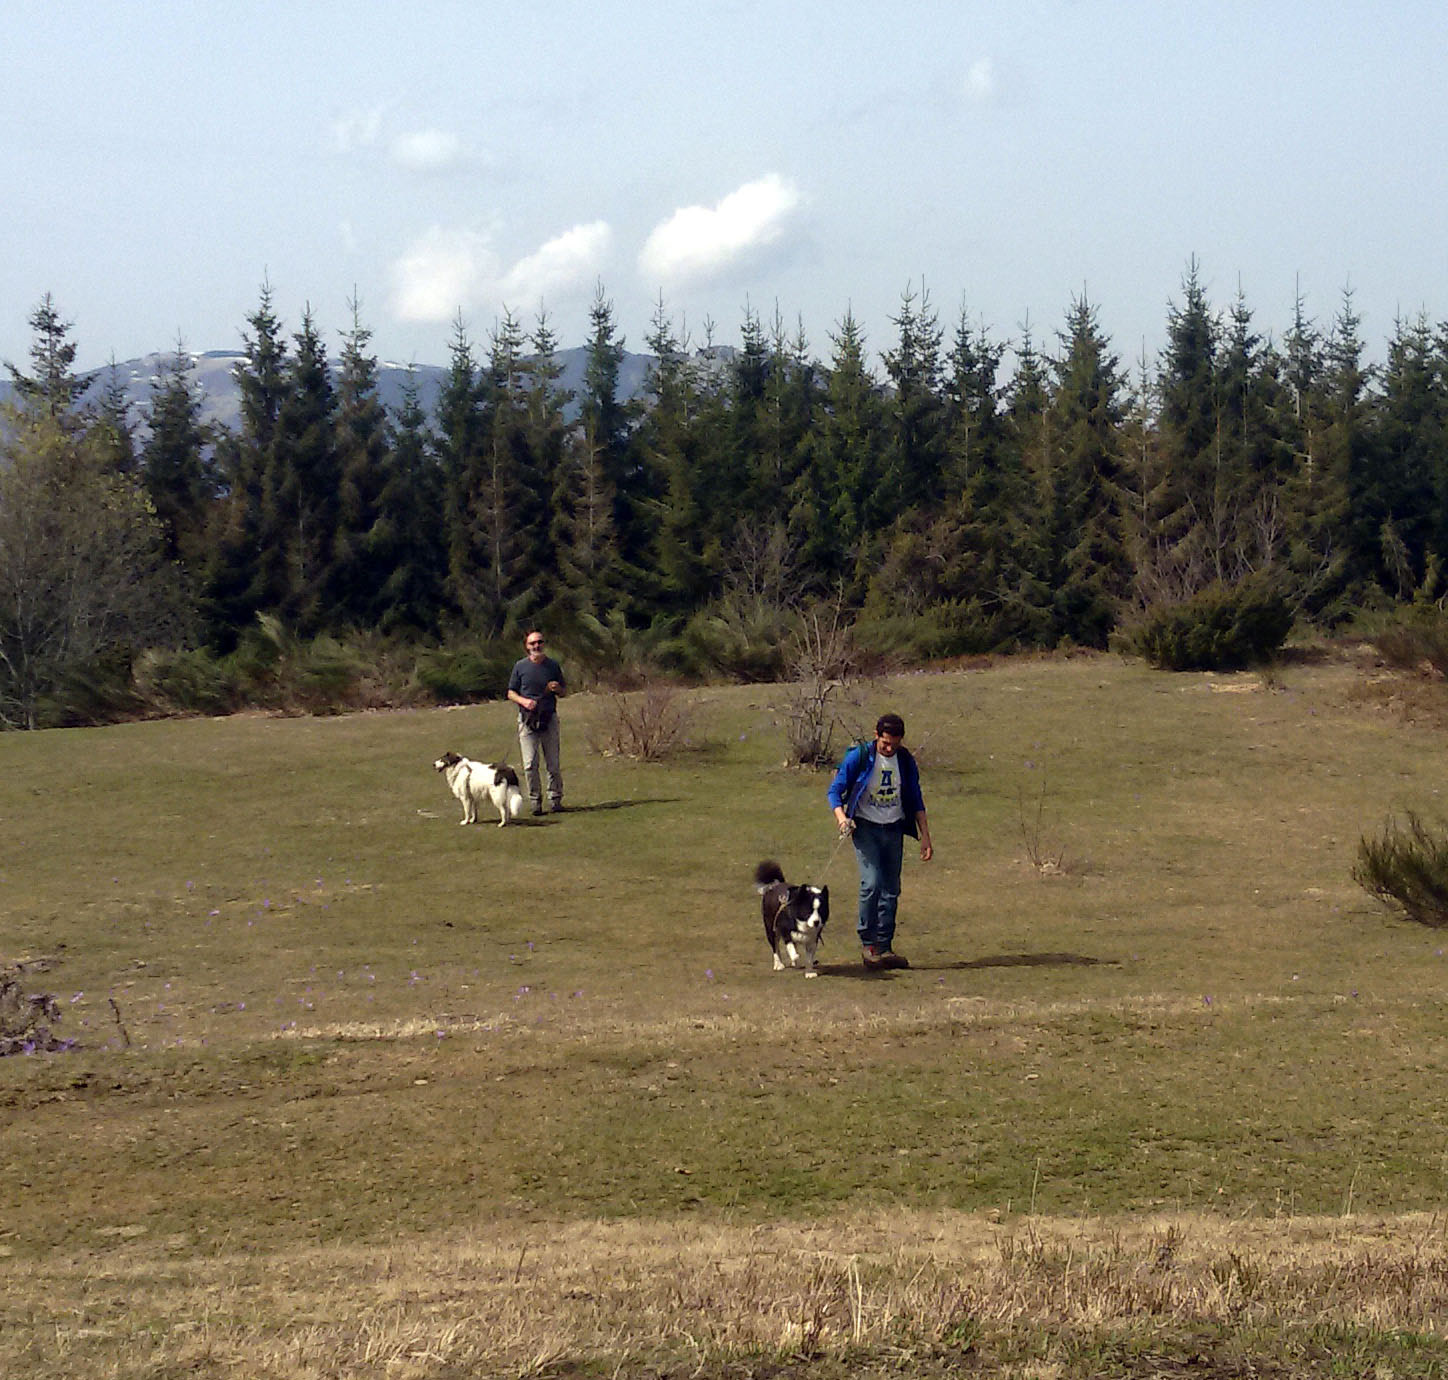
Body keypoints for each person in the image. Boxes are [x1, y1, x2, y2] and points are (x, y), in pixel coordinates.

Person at [827, 713, 933, 969]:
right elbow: (834, 791)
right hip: (865, 828)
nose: (889, 749)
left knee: (891, 889)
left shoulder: (905, 761)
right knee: (871, 883)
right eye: (885, 743)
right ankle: (868, 943)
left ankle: (885, 947)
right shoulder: (860, 757)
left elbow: (915, 798)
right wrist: (842, 818)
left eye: (894, 745)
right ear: (876, 736)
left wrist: (925, 836)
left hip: (894, 828)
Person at [507, 630, 566, 816]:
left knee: (553, 764)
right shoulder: (520, 666)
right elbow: (510, 692)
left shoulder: (553, 666)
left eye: (539, 642)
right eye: (532, 643)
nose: (536, 646)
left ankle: (555, 799)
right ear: (527, 646)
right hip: (527, 720)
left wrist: (557, 689)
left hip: (549, 718)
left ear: (544, 644)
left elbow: (564, 691)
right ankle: (535, 801)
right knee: (529, 764)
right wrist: (524, 702)